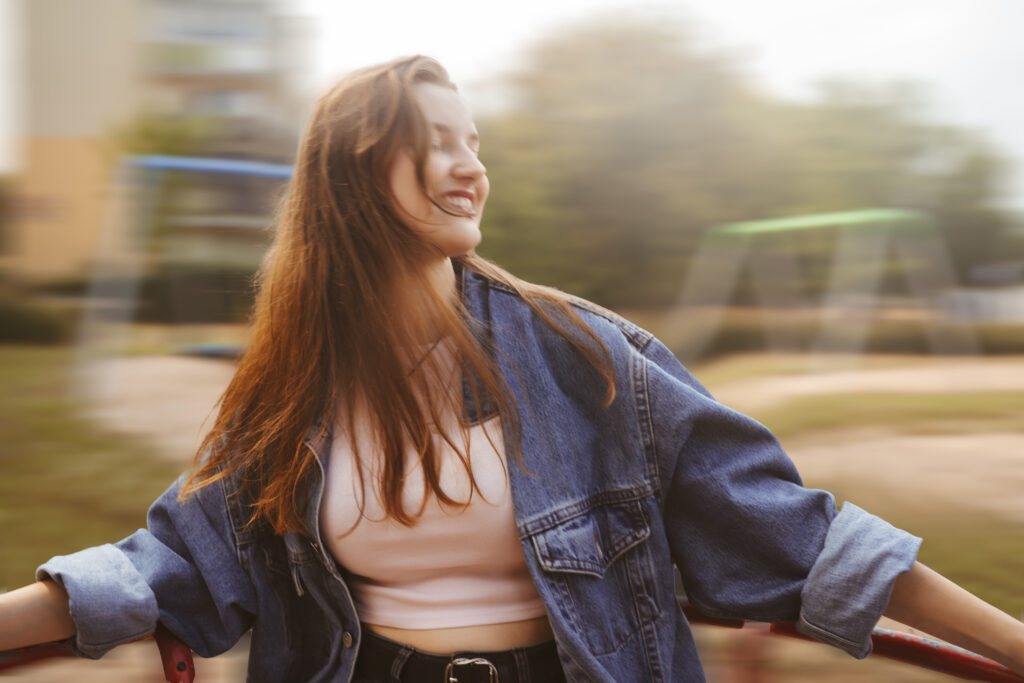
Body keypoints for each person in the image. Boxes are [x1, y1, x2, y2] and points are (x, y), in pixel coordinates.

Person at [1, 55, 1022, 683]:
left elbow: (799, 538)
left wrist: (1007, 643)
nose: (470, 165)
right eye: (435, 142)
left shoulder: (587, 356)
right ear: (355, 171)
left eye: (473, 141)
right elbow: (164, 569)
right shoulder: (291, 388)